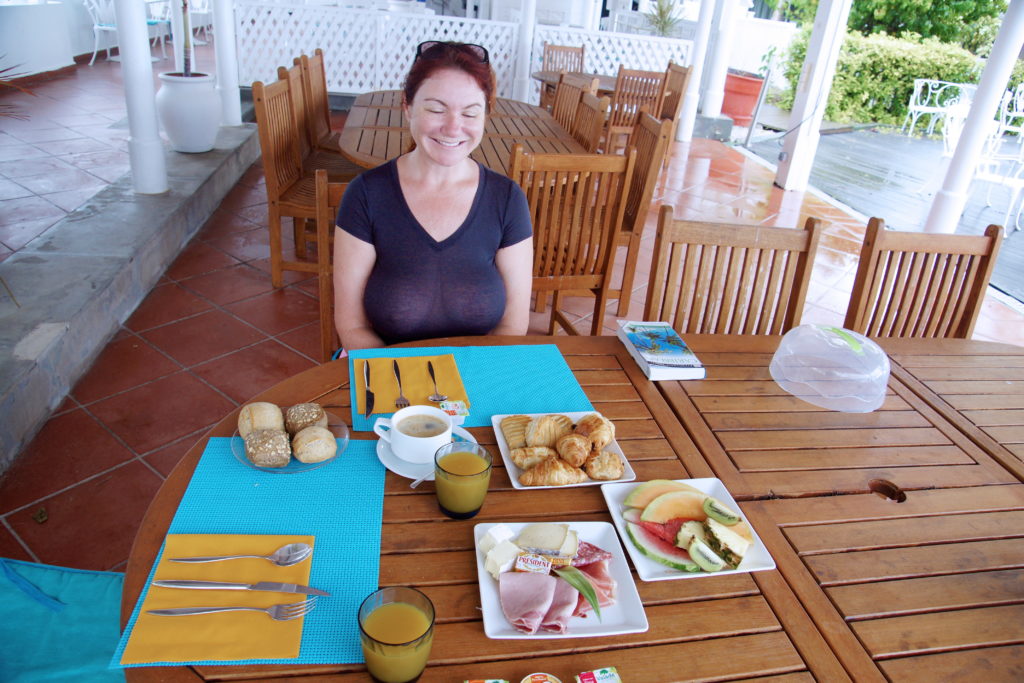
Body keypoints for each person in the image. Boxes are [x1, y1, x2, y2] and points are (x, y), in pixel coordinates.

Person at [333, 41, 533, 351]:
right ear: (408, 107)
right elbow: (352, 326)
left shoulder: (506, 199)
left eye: (470, 113)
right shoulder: (366, 194)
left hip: (475, 381)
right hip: (392, 382)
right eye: (436, 109)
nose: (453, 128)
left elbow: (513, 325)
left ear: (485, 116)